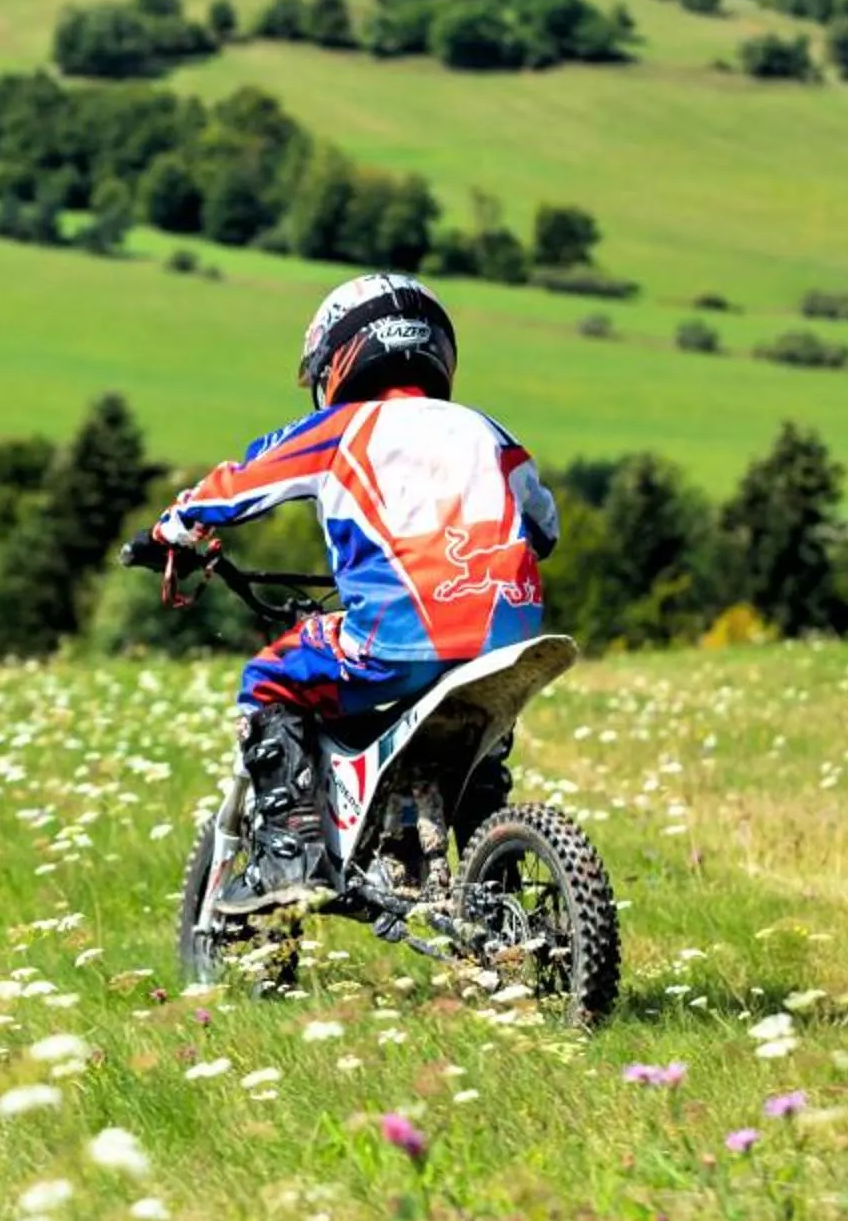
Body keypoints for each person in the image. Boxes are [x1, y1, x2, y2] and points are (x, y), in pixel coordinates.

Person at [144, 273, 557, 916]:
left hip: (399, 633)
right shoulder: (489, 431)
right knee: (481, 745)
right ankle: (489, 855)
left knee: (269, 678)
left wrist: (169, 530)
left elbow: (236, 487)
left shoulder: (340, 429)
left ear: (338, 358)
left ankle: (289, 856)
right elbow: (545, 526)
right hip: (511, 631)